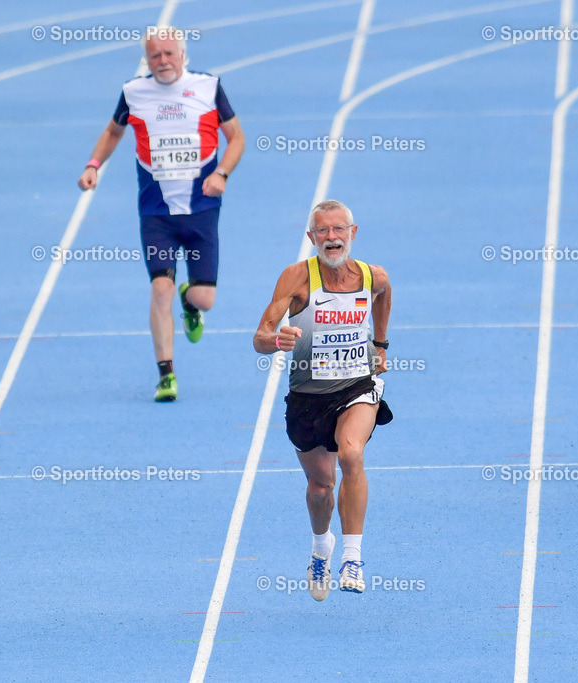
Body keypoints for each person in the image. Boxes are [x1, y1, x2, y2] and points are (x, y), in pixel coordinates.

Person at [78, 26, 245, 402]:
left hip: (201, 210)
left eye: (169, 54)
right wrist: (93, 165)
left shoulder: (208, 87)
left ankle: (191, 302)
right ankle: (166, 375)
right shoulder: (133, 93)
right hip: (156, 214)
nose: (163, 61)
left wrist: (221, 173)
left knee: (204, 299)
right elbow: (112, 131)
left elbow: (237, 138)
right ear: (147, 59)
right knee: (160, 288)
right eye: (155, 55)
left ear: (183, 54)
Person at [253, 199, 393, 600]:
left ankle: (353, 557)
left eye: (339, 230)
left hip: (357, 385)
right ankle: (321, 547)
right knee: (321, 486)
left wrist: (379, 344)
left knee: (351, 454)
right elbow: (260, 336)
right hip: (308, 395)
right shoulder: (297, 278)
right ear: (311, 237)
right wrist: (276, 340)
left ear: (353, 232)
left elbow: (384, 293)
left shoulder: (371, 276)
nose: (332, 238)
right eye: (323, 232)